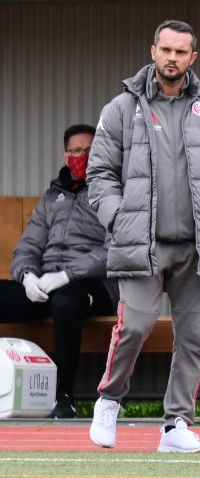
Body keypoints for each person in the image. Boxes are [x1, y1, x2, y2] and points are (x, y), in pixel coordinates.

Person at [86, 20, 200, 453]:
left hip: (198, 246)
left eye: (181, 51)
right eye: (166, 50)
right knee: (134, 327)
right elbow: (99, 174)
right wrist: (119, 218)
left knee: (193, 339)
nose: (172, 58)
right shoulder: (121, 108)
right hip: (141, 241)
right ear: (153, 51)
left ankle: (176, 425)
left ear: (193, 58)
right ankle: (108, 401)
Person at [0, 124, 119, 419]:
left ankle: (64, 397)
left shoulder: (114, 192)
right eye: (76, 151)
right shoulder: (52, 197)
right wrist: (27, 276)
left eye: (89, 150)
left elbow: (116, 250)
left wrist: (67, 275)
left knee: (65, 302)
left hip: (96, 286)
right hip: (45, 285)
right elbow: (28, 246)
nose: (83, 156)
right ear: (65, 155)